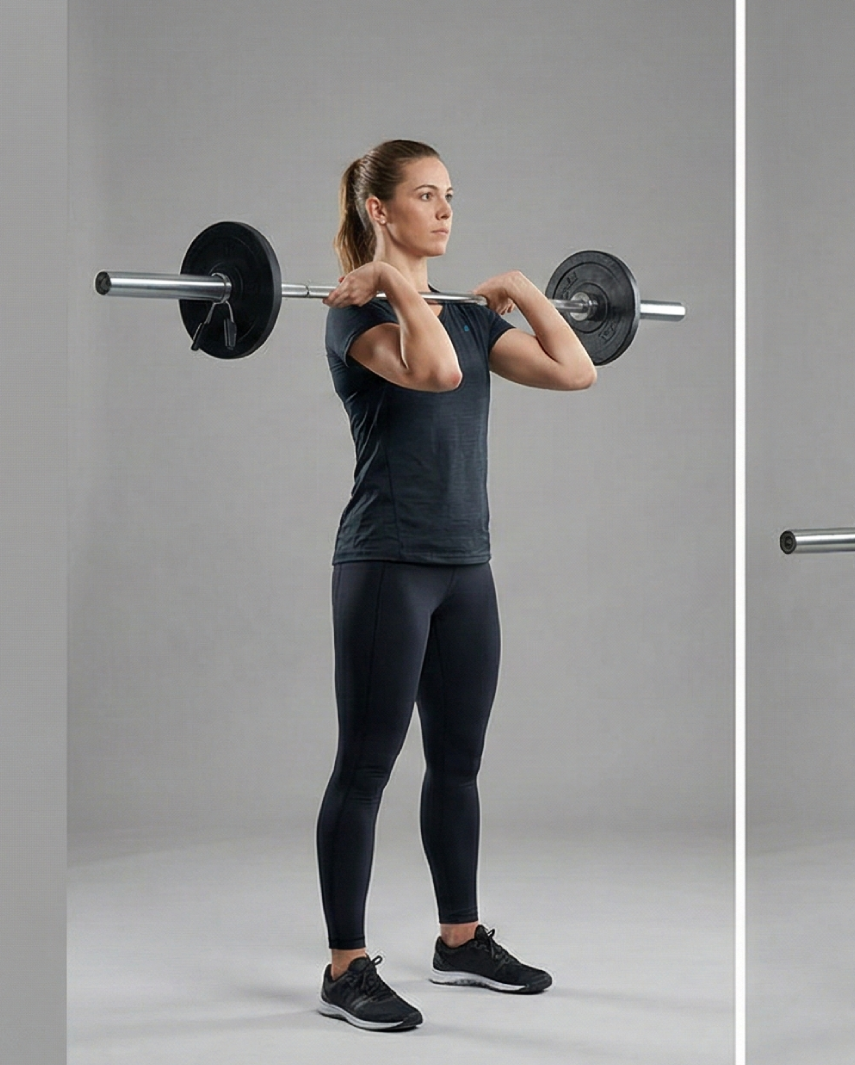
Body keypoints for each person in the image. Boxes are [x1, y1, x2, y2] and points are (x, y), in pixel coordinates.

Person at [312, 139, 598, 1032]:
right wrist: (390, 284)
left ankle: (459, 939)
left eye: (449, 196)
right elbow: (430, 373)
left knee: (460, 761)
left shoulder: (468, 320)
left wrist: (523, 287)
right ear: (379, 211)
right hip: (386, 563)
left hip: (467, 568)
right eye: (424, 197)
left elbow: (576, 369)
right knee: (366, 767)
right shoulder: (353, 319)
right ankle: (346, 967)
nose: (443, 212)